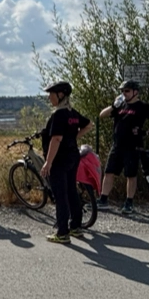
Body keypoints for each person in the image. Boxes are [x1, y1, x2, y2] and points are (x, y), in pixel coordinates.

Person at [97, 80, 149, 214]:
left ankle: (129, 203)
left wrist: (146, 132)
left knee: (131, 175)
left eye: (127, 91)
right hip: (117, 145)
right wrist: (113, 105)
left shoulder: (142, 107)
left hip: (133, 146)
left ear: (135, 92)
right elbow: (102, 115)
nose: (124, 93)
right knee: (109, 172)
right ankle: (103, 199)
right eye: (122, 91)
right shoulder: (120, 105)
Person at [39, 82, 93, 244]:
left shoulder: (59, 115)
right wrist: (73, 138)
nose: (49, 97)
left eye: (51, 94)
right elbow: (89, 125)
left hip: (59, 159)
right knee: (71, 191)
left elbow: (56, 139)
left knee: (60, 195)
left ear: (61, 95)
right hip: (72, 156)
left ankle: (63, 232)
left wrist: (48, 163)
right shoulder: (72, 114)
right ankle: (75, 226)